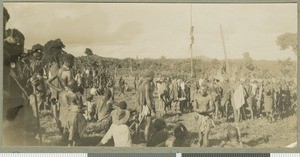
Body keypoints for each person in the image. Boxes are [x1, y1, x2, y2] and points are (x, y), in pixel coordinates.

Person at [46, 54, 75, 134]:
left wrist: (58, 89)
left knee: (62, 114)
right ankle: (69, 133)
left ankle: (63, 133)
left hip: (61, 94)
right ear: (67, 61)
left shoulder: (59, 70)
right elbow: (70, 85)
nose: (73, 63)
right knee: (70, 114)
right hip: (68, 95)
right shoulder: (67, 72)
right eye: (72, 62)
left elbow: (47, 81)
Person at [64, 79, 87, 146]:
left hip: (70, 111)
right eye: (76, 86)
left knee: (72, 128)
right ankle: (71, 143)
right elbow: (80, 106)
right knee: (77, 127)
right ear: (74, 87)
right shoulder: (76, 95)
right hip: (76, 112)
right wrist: (83, 108)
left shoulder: (67, 94)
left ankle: (73, 143)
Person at [137, 70, 156, 143]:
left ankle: (138, 137)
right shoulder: (147, 85)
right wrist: (152, 109)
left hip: (141, 105)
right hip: (147, 106)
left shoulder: (141, 84)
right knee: (148, 124)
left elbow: (139, 97)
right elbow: (148, 98)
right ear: (148, 77)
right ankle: (147, 139)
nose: (153, 78)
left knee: (140, 122)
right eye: (152, 77)